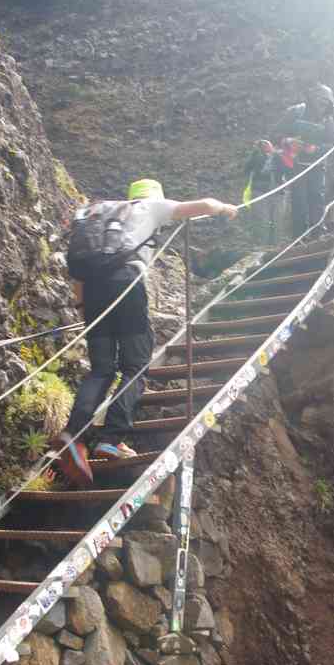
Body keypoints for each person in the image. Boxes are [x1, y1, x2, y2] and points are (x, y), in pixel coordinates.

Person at [57, 178, 237, 486]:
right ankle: (110, 439)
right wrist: (225, 208)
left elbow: (80, 276)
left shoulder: (100, 213)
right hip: (126, 284)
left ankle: (73, 436)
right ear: (155, 195)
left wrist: (84, 309)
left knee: (101, 369)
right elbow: (203, 206)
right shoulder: (151, 206)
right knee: (136, 365)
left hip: (93, 292)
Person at [272, 83, 334, 237]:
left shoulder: (327, 120)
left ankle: (317, 234)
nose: (322, 107)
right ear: (312, 100)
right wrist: (288, 141)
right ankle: (299, 236)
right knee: (299, 200)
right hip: (294, 164)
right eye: (320, 103)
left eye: (326, 104)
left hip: (316, 165)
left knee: (316, 198)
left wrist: (316, 149)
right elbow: (274, 134)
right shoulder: (295, 113)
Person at [243, 139, 276, 245]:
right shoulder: (257, 157)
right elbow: (247, 169)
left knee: (272, 219)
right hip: (259, 190)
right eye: (265, 145)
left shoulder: (276, 157)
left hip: (274, 191)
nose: (269, 147)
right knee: (261, 218)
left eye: (269, 144)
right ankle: (261, 243)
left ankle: (270, 242)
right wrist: (255, 154)